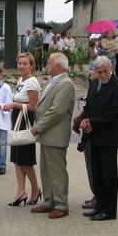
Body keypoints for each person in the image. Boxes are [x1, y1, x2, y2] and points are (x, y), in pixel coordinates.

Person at [81, 55, 118, 221]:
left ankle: (109, 210)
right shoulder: (94, 83)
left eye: (104, 71)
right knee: (97, 173)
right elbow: (89, 106)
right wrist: (85, 119)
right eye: (99, 72)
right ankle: (99, 205)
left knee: (109, 174)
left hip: (108, 137)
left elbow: (116, 112)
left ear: (110, 68)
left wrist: (93, 121)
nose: (102, 75)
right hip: (93, 135)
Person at [30, 52, 75, 219]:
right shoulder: (53, 81)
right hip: (47, 133)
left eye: (49, 63)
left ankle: (61, 204)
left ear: (57, 66)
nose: (47, 65)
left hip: (55, 134)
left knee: (57, 171)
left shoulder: (66, 84)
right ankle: (49, 201)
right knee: (46, 170)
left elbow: (57, 111)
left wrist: (38, 127)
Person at [2, 53, 41, 206]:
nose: (21, 66)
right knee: (17, 160)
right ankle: (20, 191)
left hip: (25, 122)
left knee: (25, 160)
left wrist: (14, 105)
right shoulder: (21, 80)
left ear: (31, 66)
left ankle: (36, 188)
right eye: (19, 63)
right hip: (17, 120)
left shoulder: (32, 82)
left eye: (25, 63)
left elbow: (33, 106)